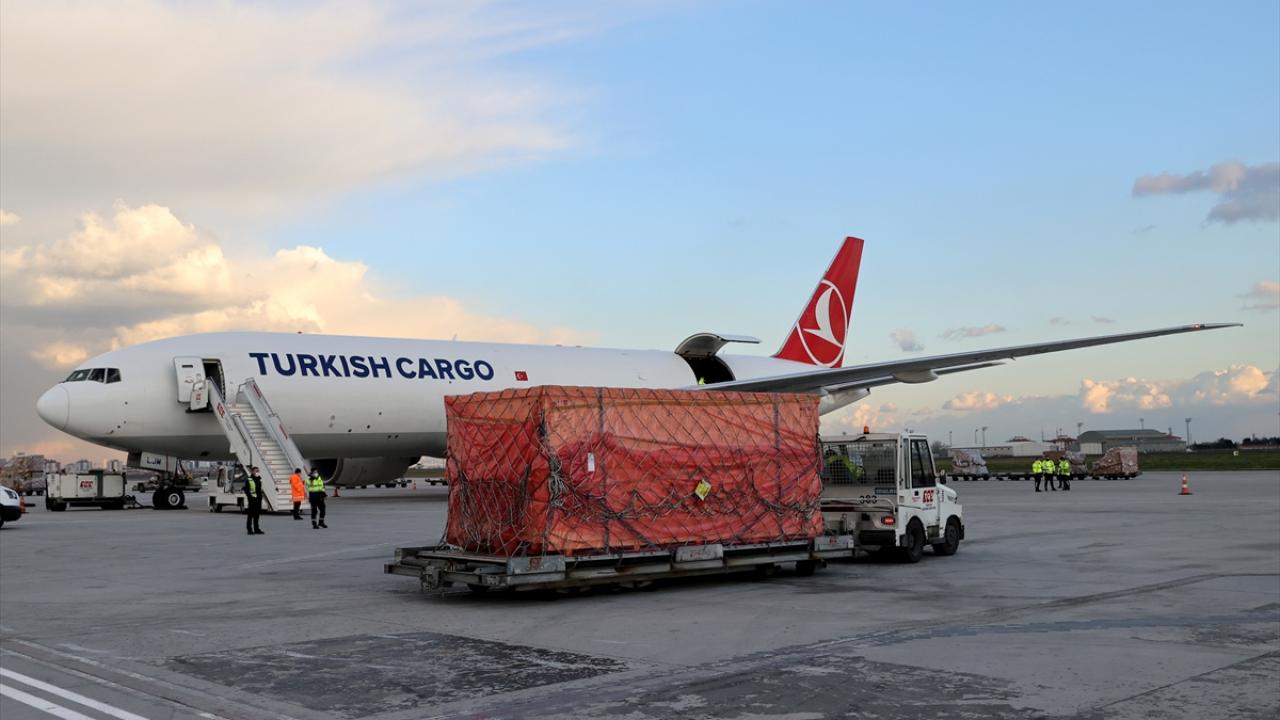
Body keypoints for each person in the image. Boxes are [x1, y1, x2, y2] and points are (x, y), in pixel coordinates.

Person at [243, 465, 265, 535]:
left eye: (258, 471)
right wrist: (250, 498)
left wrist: (260, 498)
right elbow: (246, 490)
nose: (257, 472)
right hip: (252, 501)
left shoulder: (259, 479)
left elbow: (259, 490)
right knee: (250, 516)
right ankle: (249, 530)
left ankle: (256, 529)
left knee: (257, 516)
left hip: (258, 500)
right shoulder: (249, 479)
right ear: (252, 472)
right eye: (256, 471)